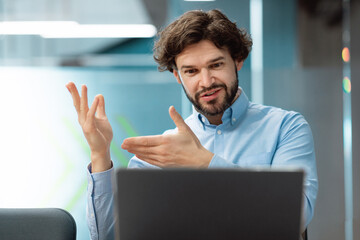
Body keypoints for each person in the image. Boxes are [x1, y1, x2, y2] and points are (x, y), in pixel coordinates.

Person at [66, 9, 318, 240]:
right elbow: (109, 237)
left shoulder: (285, 127)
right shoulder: (163, 151)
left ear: (238, 60)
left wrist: (203, 162)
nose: (206, 81)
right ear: (177, 75)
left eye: (216, 65)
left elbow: (295, 219)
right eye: (191, 71)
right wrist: (100, 154)